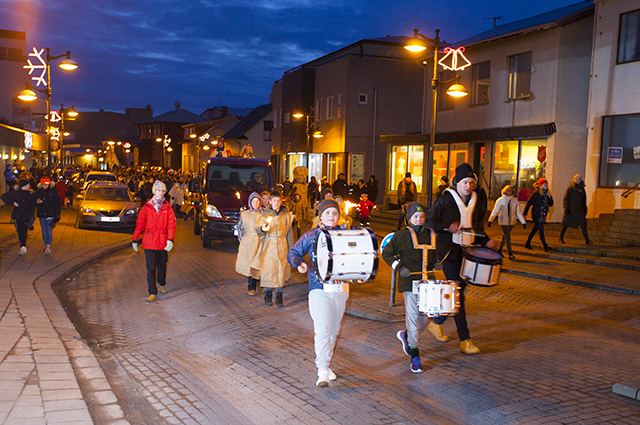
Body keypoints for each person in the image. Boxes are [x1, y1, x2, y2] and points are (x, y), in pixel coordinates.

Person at [425, 163, 499, 354]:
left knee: (458, 292)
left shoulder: (477, 202)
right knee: (458, 294)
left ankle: (437, 322)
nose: (468, 186)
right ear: (456, 182)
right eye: (465, 182)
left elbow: (478, 229)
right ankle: (465, 340)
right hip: (449, 253)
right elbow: (429, 222)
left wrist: (488, 242)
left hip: (469, 253)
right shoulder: (443, 200)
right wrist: (447, 225)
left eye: (471, 182)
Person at [287, 199, 349, 387]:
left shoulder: (345, 234)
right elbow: (293, 252)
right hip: (318, 288)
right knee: (323, 329)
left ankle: (327, 364)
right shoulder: (311, 235)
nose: (332, 216)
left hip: (341, 288)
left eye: (335, 213)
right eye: (328, 213)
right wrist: (299, 264)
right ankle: (322, 369)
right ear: (320, 215)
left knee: (334, 331)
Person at [382, 202, 435, 373]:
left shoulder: (431, 234)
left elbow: (436, 254)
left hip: (428, 283)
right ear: (409, 218)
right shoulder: (401, 235)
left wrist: (437, 263)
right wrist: (399, 267)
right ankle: (415, 355)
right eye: (416, 217)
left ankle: (406, 335)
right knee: (413, 317)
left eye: (422, 216)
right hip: (409, 282)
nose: (419, 220)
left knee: (425, 318)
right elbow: (386, 252)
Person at [132, 180, 177, 302]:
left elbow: (171, 224)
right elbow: (140, 224)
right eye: (158, 190)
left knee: (162, 266)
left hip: (162, 242)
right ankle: (152, 291)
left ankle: (161, 284)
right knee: (151, 268)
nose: (161, 193)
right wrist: (135, 239)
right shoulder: (147, 207)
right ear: (154, 191)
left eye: (163, 190)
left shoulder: (167, 207)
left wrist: (170, 239)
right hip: (149, 242)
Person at [256, 191, 294, 308]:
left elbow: (289, 234)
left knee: (280, 271)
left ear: (281, 201)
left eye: (278, 200)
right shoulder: (266, 214)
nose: (276, 203)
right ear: (270, 202)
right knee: (269, 270)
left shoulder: (285, 215)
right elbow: (258, 230)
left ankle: (279, 296)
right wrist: (263, 229)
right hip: (269, 245)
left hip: (282, 245)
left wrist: (292, 250)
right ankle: (267, 295)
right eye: (274, 201)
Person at [488, 185, 526, 260]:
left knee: (505, 237)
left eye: (510, 190)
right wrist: (490, 220)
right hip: (503, 221)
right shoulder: (501, 200)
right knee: (508, 237)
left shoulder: (515, 200)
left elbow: (518, 212)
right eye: (507, 190)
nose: (509, 192)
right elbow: (495, 210)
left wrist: (523, 222)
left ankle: (499, 250)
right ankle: (510, 253)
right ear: (504, 191)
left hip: (512, 222)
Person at [236, 192, 263, 296]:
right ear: (250, 202)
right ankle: (251, 287)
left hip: (260, 242)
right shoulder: (245, 214)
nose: (255, 203)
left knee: (260, 263)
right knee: (251, 265)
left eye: (257, 201)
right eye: (253, 201)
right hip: (249, 243)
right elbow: (239, 227)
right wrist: (242, 239)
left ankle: (260, 280)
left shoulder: (264, 214)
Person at [1, 179, 36, 255]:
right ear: (24, 186)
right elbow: (4, 197)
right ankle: (23, 245)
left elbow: (32, 205)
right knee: (20, 230)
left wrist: (32, 215)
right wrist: (13, 202)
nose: (29, 186)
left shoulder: (30, 194)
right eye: (28, 185)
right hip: (18, 215)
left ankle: (23, 245)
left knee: (24, 230)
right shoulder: (16, 193)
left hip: (26, 215)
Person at [559, 174, 591, 245]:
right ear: (573, 180)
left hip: (580, 210)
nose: (577, 180)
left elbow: (584, 200)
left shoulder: (582, 189)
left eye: (579, 179)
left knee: (583, 225)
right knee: (565, 224)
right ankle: (561, 238)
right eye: (576, 179)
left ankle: (587, 240)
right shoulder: (570, 188)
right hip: (571, 210)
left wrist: (585, 209)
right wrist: (566, 208)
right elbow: (566, 198)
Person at [524, 178, 554, 251]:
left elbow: (551, 204)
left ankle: (527, 243)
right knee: (541, 229)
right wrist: (525, 213)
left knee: (535, 229)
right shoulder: (536, 193)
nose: (546, 185)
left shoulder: (547, 193)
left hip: (542, 215)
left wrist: (550, 196)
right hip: (536, 214)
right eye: (544, 184)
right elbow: (529, 203)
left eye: (547, 184)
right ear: (540, 185)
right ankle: (545, 246)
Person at [35, 178, 62, 256]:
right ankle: (46, 244)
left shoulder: (54, 192)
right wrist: (37, 202)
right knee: (44, 230)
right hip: (42, 214)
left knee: (49, 230)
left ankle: (48, 246)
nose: (44, 186)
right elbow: (33, 201)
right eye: (43, 184)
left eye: (46, 184)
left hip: (51, 214)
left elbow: (58, 204)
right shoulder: (39, 192)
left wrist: (57, 214)